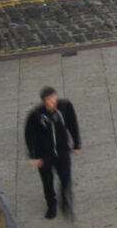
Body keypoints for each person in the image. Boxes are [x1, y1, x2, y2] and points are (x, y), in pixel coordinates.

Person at [23, 86, 81, 219]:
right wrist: (33, 156)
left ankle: (65, 201)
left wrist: (76, 143)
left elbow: (73, 124)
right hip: (44, 155)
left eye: (54, 98)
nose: (54, 102)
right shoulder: (35, 115)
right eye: (50, 100)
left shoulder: (65, 107)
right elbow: (29, 136)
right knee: (47, 181)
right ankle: (51, 205)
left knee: (66, 178)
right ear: (43, 101)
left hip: (62, 152)